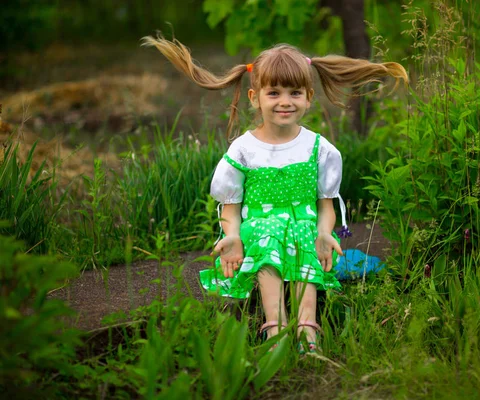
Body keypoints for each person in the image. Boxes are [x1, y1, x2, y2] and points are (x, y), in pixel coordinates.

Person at [142, 34, 408, 353]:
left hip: (304, 229)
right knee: (268, 237)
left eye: (295, 92)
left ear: (309, 97)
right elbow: (230, 207)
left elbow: (326, 205)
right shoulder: (244, 149)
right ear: (255, 98)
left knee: (303, 235)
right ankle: (276, 325)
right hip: (259, 230)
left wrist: (325, 232)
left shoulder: (317, 148)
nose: (285, 101)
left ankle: (307, 327)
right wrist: (232, 237)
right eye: (274, 93)